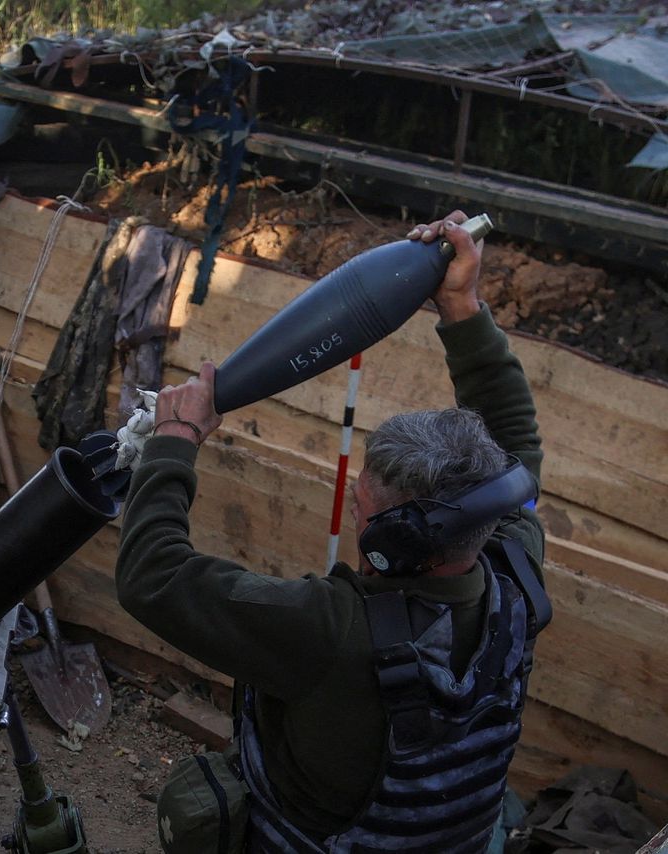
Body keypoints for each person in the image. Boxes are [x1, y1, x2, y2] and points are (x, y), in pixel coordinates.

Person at [116, 211, 548, 852]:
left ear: (387, 535)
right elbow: (517, 444)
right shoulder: (517, 572)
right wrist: (461, 303)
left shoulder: (327, 631)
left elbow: (153, 576)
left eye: (363, 497)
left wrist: (176, 440)